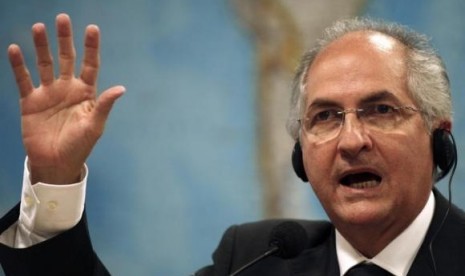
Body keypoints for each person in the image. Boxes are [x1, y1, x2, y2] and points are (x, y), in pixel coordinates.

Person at [0, 13, 464, 276]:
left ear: (438, 138)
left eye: (380, 110)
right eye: (325, 117)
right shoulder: (253, 259)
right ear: (301, 154)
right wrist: (54, 177)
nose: (352, 140)